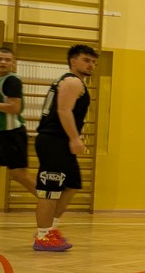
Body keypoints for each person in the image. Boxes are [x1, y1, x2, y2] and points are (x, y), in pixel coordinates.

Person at [32, 44, 98, 252]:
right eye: (86, 60)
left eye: (93, 62)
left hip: (59, 142)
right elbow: (63, 110)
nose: (91, 65)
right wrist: (74, 138)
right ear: (73, 61)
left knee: (72, 184)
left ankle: (51, 228)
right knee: (50, 190)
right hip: (55, 141)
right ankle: (43, 236)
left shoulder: (72, 81)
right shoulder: (72, 81)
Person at [0, 47, 37, 199]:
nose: (3, 62)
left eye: (7, 59)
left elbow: (15, 107)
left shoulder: (12, 80)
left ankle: (50, 205)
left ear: (13, 63)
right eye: (0, 59)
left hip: (11, 133)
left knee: (19, 174)